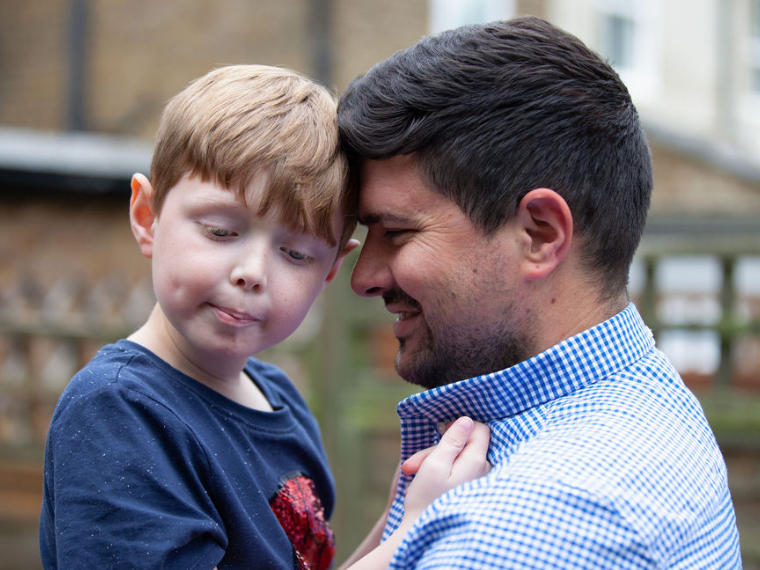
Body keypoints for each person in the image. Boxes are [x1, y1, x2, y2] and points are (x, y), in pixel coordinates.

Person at [39, 64, 490, 570]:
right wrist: (413, 535)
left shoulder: (282, 402)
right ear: (148, 217)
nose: (253, 272)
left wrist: (396, 520)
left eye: (295, 254)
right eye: (219, 231)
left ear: (329, 272)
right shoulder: (119, 411)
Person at [338, 16, 742, 569]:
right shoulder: (643, 403)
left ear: (540, 234)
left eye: (396, 232)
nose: (365, 276)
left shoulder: (526, 527)